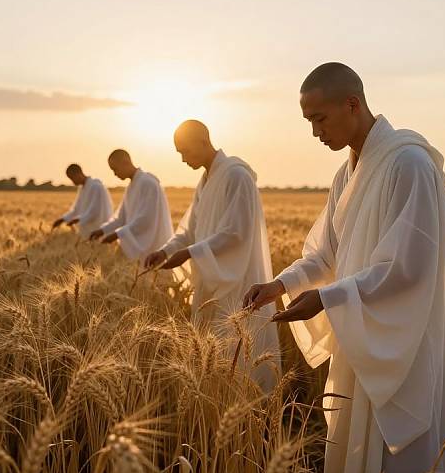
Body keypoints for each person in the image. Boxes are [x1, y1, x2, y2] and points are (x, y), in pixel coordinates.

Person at [243, 63, 445, 473]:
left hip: (401, 340)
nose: (315, 132)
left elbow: (409, 265)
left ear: (352, 104)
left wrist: (328, 298)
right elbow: (326, 255)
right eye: (308, 121)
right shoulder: (346, 173)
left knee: (410, 462)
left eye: (320, 118)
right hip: (361, 336)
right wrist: (280, 283)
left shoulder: (410, 164)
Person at [145, 120, 279, 391]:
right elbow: (190, 230)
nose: (183, 159)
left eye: (185, 151)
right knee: (214, 353)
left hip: (237, 280)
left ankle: (252, 414)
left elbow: (236, 232)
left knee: (239, 354)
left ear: (204, 142)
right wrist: (165, 250)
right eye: (178, 153)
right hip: (211, 280)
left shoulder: (236, 175)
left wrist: (188, 253)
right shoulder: (205, 180)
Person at [90, 150, 173, 263]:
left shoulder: (147, 182)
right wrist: (102, 230)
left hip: (152, 246)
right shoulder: (132, 185)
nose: (114, 174)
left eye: (115, 169)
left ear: (125, 162)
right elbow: (121, 218)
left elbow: (146, 219)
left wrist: (117, 234)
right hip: (139, 246)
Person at [51, 164, 113, 239]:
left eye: (72, 178)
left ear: (79, 173)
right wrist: (63, 219)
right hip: (88, 231)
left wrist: (78, 219)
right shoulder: (82, 188)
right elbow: (76, 209)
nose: (72, 182)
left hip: (98, 229)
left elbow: (94, 211)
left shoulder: (96, 186)